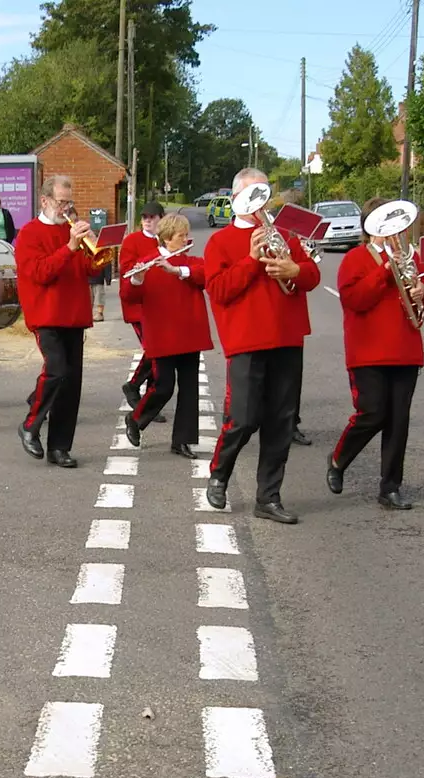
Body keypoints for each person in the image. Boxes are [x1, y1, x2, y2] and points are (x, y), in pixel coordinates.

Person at [204, 170, 320, 523]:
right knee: (243, 418)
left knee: (281, 421)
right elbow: (220, 290)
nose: (258, 203)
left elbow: (312, 277)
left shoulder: (285, 236)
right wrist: (251, 260)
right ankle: (219, 474)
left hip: (287, 337)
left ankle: (268, 497)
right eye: (251, 195)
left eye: (262, 194)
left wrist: (295, 270)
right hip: (246, 341)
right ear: (237, 198)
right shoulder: (220, 243)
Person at [329, 198, 424, 510]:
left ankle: (390, 487)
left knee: (398, 422)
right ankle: (339, 459)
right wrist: (385, 271)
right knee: (372, 414)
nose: (395, 232)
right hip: (367, 352)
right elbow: (354, 299)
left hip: (405, 350)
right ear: (371, 229)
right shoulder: (355, 258)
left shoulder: (410, 256)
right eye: (387, 225)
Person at [16, 174, 100, 468]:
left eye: (69, 202)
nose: (65, 208)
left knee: (71, 383)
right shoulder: (29, 233)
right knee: (55, 370)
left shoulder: (71, 231)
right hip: (46, 314)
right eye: (61, 202)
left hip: (74, 314)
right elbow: (40, 273)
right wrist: (70, 247)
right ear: (45, 201)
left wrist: (94, 246)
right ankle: (30, 424)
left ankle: (60, 447)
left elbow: (92, 269)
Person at [121, 210, 209, 459]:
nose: (186, 239)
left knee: (190, 388)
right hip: (162, 334)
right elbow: (129, 296)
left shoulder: (189, 262)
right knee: (164, 386)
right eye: (182, 235)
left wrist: (176, 270)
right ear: (168, 237)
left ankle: (182, 441)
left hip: (190, 333)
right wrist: (137, 278)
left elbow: (206, 276)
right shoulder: (149, 261)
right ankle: (135, 419)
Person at [118, 200, 164, 409]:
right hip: (137, 305)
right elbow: (127, 269)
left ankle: (147, 396)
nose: (147, 221)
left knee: (159, 352)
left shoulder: (165, 240)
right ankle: (136, 387)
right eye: (144, 217)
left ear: (161, 219)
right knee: (154, 350)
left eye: (152, 217)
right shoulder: (132, 241)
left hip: (158, 303)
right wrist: (156, 257)